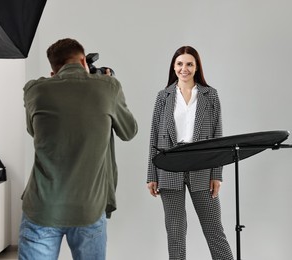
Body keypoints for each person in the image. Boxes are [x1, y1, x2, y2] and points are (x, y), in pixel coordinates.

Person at [19, 38, 138, 260]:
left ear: (53, 70)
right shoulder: (108, 87)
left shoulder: (35, 90)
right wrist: (107, 85)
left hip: (42, 207)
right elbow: (129, 131)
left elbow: (34, 131)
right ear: (84, 60)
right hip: (88, 208)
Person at [147, 46, 234, 260]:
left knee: (214, 229)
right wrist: (152, 175)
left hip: (202, 164)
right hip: (169, 165)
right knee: (175, 233)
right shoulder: (163, 96)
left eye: (189, 64)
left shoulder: (210, 95)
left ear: (196, 67)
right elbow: (154, 136)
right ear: (173, 67)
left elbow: (217, 136)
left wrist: (217, 174)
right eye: (179, 64)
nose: (183, 68)